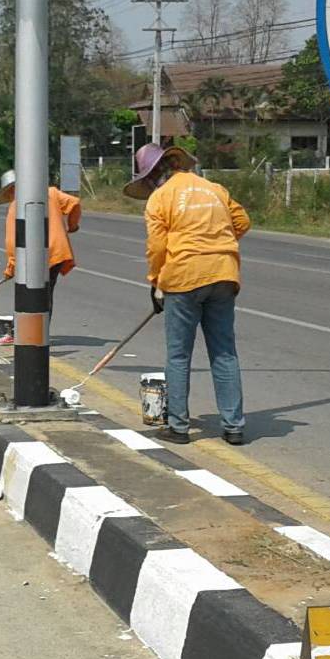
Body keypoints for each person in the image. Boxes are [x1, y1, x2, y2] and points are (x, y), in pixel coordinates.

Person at [124, 143, 251, 446]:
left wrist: (156, 282)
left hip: (183, 278)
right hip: (223, 274)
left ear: (152, 176)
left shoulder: (160, 198)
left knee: (179, 355)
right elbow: (242, 222)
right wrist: (215, 244)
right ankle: (234, 426)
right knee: (224, 352)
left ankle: (178, 427)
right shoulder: (214, 189)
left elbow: (157, 247)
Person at [0, 169, 81, 342]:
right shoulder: (51, 193)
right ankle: (40, 332)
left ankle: (22, 333)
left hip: (33, 257)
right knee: (46, 294)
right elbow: (75, 203)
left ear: (12, 189)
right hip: (56, 253)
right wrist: (72, 226)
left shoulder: (17, 206)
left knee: (27, 294)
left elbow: (13, 242)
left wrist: (10, 268)